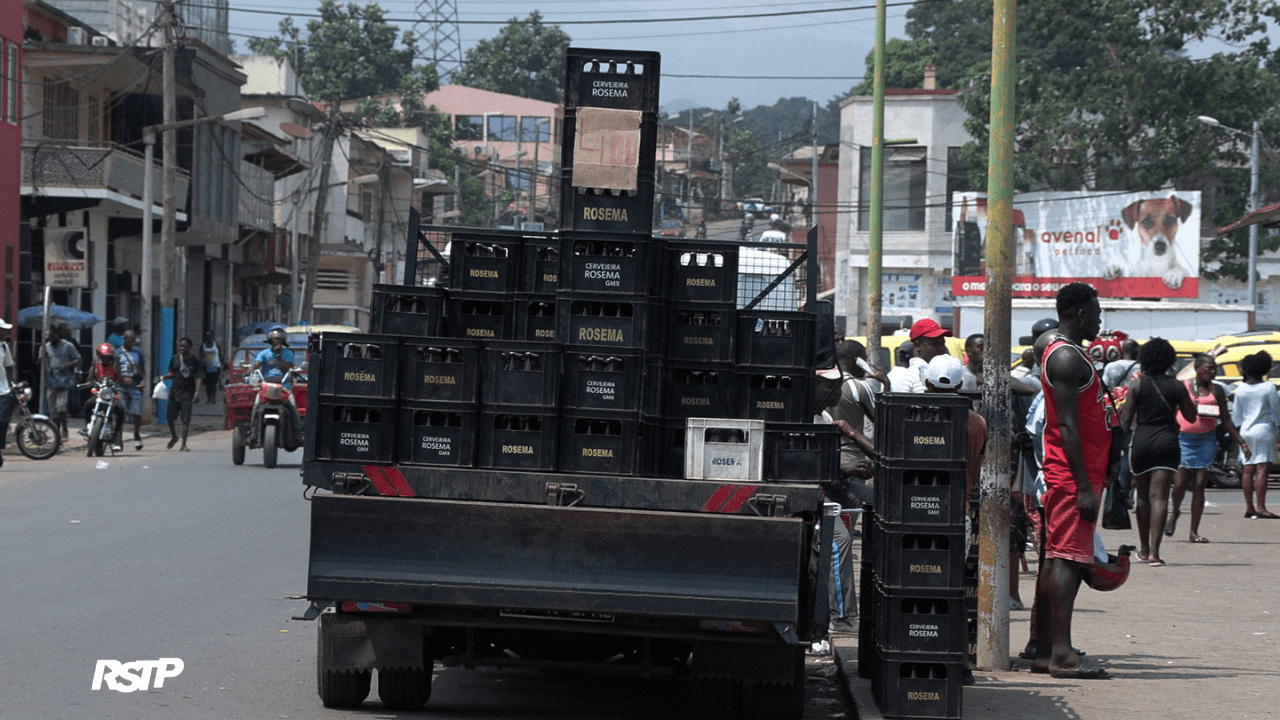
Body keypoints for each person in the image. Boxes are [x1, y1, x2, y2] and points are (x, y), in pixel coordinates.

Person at [1031, 282, 1111, 679]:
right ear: (1081, 315)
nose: (1099, 319)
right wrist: (1082, 486)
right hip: (1071, 475)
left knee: (1058, 558)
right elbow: (1066, 423)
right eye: (1095, 313)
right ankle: (1061, 654)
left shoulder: (1058, 348)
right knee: (1067, 559)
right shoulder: (1064, 356)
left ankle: (1047, 649)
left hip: (1074, 472)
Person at [1118, 338, 1196, 567]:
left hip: (1141, 441)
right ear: (1169, 360)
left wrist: (1116, 450)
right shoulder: (1176, 386)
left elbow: (1125, 421)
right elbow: (1191, 417)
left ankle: (1142, 549)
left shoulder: (1137, 386)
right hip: (1167, 441)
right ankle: (1155, 552)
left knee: (1142, 497)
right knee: (1160, 497)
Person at [1170, 354, 1248, 542]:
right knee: (1180, 483)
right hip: (1183, 439)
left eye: (1214, 368)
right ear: (1197, 369)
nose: (1212, 372)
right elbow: (1173, 411)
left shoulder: (1218, 390)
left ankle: (1193, 531)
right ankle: (1175, 512)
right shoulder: (1183, 386)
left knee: (1199, 485)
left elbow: (1226, 420)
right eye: (1208, 368)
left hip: (1206, 440)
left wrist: (1241, 443)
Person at [1231, 351, 1280, 519]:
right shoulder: (1268, 387)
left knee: (1247, 469)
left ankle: (1249, 507)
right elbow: (1276, 411)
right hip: (1264, 430)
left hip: (1245, 430)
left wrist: (1237, 435)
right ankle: (1261, 507)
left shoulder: (1241, 389)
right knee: (1262, 470)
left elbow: (1236, 415)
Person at [248, 327, 301, 446]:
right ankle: (253, 432)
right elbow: (256, 364)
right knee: (256, 406)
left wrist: (278, 356)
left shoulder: (288, 353)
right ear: (270, 340)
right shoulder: (263, 353)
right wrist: (250, 369)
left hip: (284, 386)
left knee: (292, 407)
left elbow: (285, 368)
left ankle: (297, 434)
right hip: (266, 386)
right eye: (275, 339)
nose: (277, 341)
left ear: (283, 341)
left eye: (279, 339)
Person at [42, 323, 81, 441]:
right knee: (53, 410)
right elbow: (39, 364)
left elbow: (78, 359)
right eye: (48, 337)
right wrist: (42, 358)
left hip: (64, 381)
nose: (50, 339)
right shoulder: (45, 347)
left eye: (52, 336)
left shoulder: (67, 345)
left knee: (62, 406)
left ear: (57, 335)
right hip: (50, 381)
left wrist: (66, 365)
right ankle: (56, 432)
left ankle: (64, 428)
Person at [162, 337, 203, 451]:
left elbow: (198, 376)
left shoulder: (194, 361)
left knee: (185, 420)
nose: (182, 348)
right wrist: (166, 376)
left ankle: (184, 444)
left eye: (184, 346)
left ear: (189, 347)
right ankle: (174, 436)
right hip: (175, 392)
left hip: (187, 393)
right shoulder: (175, 358)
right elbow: (172, 372)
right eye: (180, 346)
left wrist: (197, 392)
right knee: (170, 417)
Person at [84, 342, 125, 452]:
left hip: (112, 395)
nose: (105, 360)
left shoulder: (115, 367)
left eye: (108, 358)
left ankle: (116, 437)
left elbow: (121, 382)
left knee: (121, 410)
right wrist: (92, 369)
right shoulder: (96, 367)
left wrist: (118, 370)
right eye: (103, 358)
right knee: (87, 405)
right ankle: (88, 426)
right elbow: (89, 380)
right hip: (99, 394)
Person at [116, 329, 146, 450]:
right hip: (120, 387)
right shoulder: (117, 353)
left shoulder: (137, 353)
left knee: (137, 413)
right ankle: (118, 439)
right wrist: (122, 379)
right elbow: (114, 370)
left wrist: (143, 380)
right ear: (124, 340)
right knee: (120, 413)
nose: (131, 343)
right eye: (129, 341)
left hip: (135, 385)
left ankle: (136, 433)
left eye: (133, 341)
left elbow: (142, 368)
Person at [909, 318, 952, 388]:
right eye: (936, 344)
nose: (943, 348)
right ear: (918, 345)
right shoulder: (916, 376)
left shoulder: (937, 373)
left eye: (943, 344)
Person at [0, 318, 14, 467]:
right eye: (2, 330)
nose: (5, 332)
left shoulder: (4, 347)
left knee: (2, 421)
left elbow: (9, 367)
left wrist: (10, 384)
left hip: (3, 391)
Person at [200, 331, 223, 404]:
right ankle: (208, 398)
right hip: (206, 366)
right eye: (207, 336)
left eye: (209, 336)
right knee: (207, 383)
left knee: (213, 383)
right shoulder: (203, 346)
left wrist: (224, 364)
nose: (208, 337)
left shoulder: (216, 345)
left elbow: (220, 356)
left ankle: (213, 398)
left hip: (215, 366)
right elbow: (200, 356)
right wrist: (200, 366)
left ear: (212, 336)